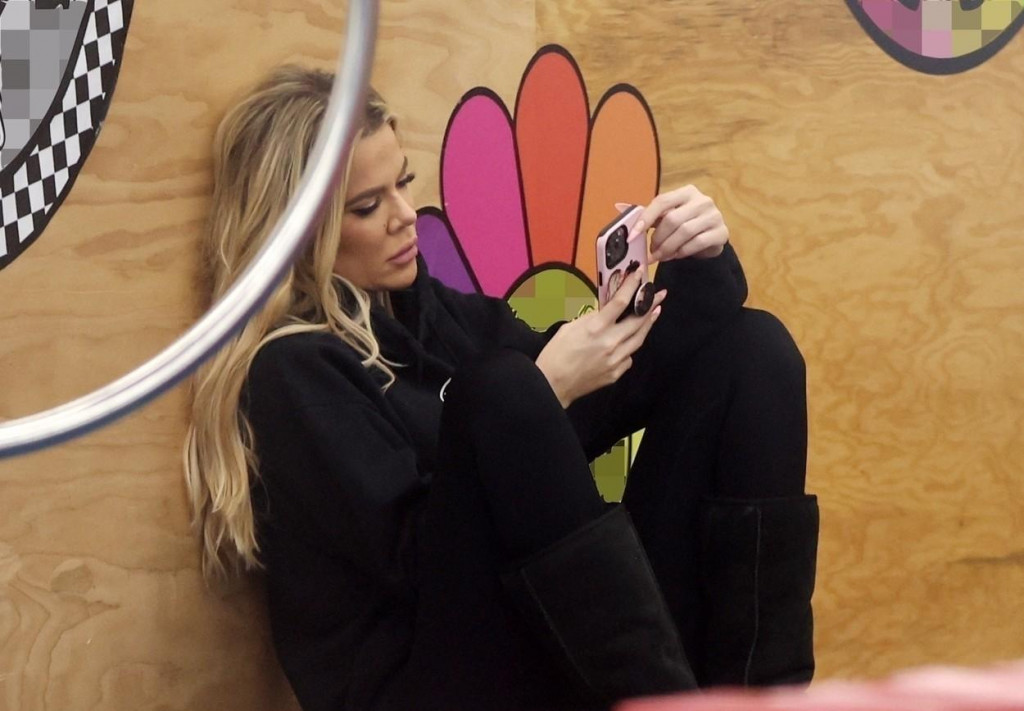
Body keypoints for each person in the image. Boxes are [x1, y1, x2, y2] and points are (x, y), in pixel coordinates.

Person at [183, 65, 818, 711]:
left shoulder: (435, 315)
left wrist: (700, 261)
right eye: (368, 206)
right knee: (506, 389)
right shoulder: (292, 371)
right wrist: (542, 393)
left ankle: (761, 701)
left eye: (404, 182)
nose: (405, 216)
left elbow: (617, 392)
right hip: (432, 681)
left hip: (555, 641)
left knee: (753, 351)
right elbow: (419, 570)